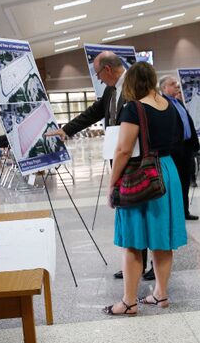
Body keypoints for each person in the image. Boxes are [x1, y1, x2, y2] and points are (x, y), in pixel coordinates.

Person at [46, 51, 154, 281]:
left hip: (137, 158)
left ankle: (150, 263)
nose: (99, 79)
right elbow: (93, 113)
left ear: (107, 69)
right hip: (121, 157)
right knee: (128, 211)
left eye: (98, 74)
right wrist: (67, 129)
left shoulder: (134, 86)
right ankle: (136, 263)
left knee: (143, 210)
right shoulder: (110, 90)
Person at [103, 62, 187, 315]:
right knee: (162, 241)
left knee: (132, 241)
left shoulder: (133, 108)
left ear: (131, 83)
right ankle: (160, 294)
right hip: (167, 171)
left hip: (141, 175)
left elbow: (124, 150)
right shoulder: (169, 104)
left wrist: (111, 184)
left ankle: (129, 301)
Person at [159, 75, 200, 220]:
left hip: (186, 148)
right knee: (173, 183)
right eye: (173, 84)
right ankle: (174, 213)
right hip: (173, 150)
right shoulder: (162, 104)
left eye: (177, 83)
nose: (177, 86)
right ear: (164, 88)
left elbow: (187, 123)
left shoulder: (178, 102)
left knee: (185, 181)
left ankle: (184, 211)